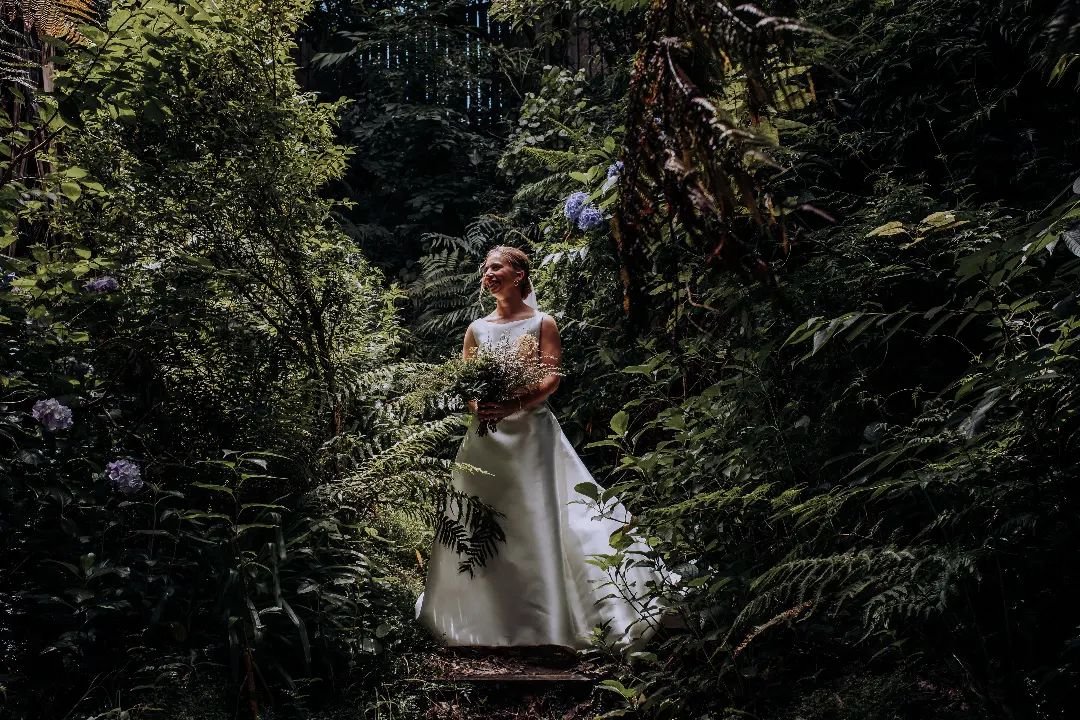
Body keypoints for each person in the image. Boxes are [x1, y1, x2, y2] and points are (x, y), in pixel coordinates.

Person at [415, 245, 674, 649]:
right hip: (484, 437)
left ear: (519, 275)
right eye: (485, 269)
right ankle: (485, 615)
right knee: (481, 517)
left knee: (534, 513)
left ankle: (548, 623)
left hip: (531, 435)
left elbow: (551, 378)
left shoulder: (542, 322)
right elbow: (466, 381)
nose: (488, 274)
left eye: (496, 267)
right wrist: (479, 407)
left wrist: (512, 404)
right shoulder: (476, 329)